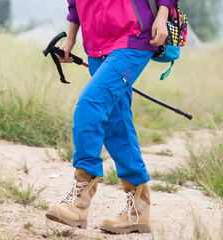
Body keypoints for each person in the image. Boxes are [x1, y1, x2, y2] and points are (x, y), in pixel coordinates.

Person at [46, 0, 179, 234]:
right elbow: (75, 3)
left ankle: (79, 200)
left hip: (134, 37)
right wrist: (71, 38)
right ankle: (138, 207)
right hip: (96, 43)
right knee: (115, 122)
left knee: (90, 104)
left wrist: (162, 14)